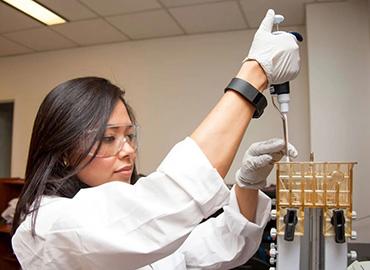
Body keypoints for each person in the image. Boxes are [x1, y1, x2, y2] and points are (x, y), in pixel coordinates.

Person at [11, 9, 300, 270]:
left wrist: (248, 186)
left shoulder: (139, 227)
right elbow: (163, 202)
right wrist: (254, 73)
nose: (128, 151)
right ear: (64, 151)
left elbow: (211, 247)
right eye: (109, 138)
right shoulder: (46, 227)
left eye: (130, 136)